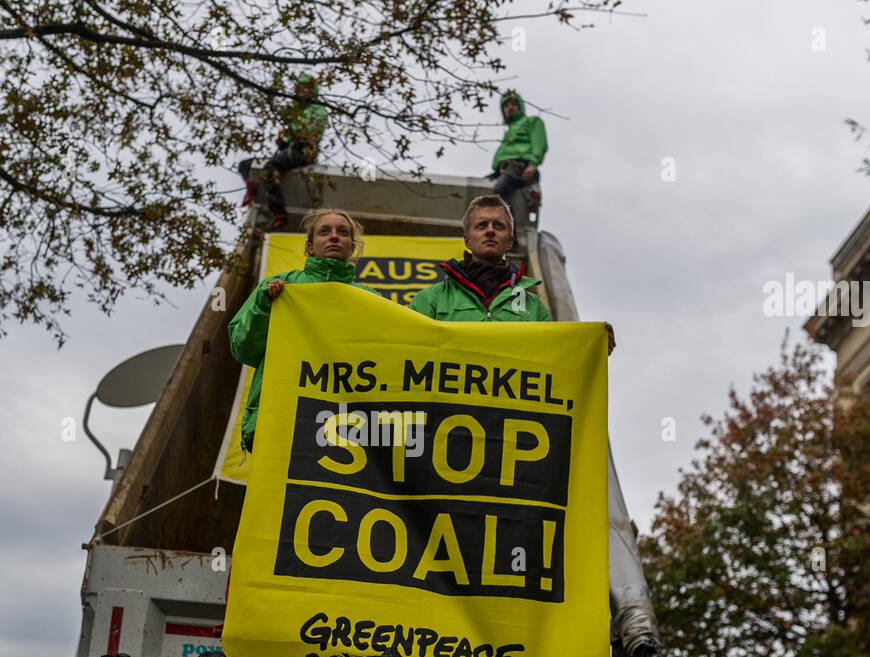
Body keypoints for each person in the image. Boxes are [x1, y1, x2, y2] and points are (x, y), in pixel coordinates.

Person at [228, 208, 380, 453]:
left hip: (344, 426)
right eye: (324, 231)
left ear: (352, 247)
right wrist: (264, 307)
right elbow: (242, 348)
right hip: (280, 419)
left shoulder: (371, 300)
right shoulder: (279, 288)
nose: (334, 237)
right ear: (310, 246)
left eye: (343, 232)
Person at [409, 194, 615, 350]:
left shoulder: (535, 308)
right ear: (467, 240)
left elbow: (552, 355)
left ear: (510, 241)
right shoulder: (431, 299)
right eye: (481, 225)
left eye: (498, 226)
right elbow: (404, 343)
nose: (490, 230)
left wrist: (590, 345)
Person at [237, 75, 328, 231]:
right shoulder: (294, 111)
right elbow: (287, 136)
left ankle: (279, 213)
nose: (303, 92)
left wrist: (291, 133)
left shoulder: (318, 110)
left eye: (307, 88)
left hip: (302, 151)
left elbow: (310, 131)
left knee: (271, 168)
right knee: (245, 165)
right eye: (301, 89)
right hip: (289, 149)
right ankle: (252, 186)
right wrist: (283, 139)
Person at [488, 90, 547, 210]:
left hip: (519, 167)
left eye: (514, 104)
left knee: (498, 191)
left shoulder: (532, 122)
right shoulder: (509, 131)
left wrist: (532, 165)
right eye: (506, 105)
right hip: (502, 170)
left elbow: (539, 144)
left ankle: (510, 227)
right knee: (480, 189)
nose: (510, 107)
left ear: (520, 106)